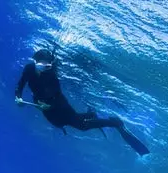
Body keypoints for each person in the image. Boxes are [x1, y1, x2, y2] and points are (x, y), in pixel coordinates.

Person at [15, 49, 149, 156]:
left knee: (81, 126)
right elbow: (20, 84)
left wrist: (49, 105)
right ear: (35, 62)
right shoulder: (28, 69)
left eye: (47, 66)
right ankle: (91, 114)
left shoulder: (51, 76)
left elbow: (55, 95)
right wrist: (18, 97)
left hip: (59, 105)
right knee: (59, 123)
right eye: (40, 65)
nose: (44, 69)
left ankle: (115, 122)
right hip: (44, 106)